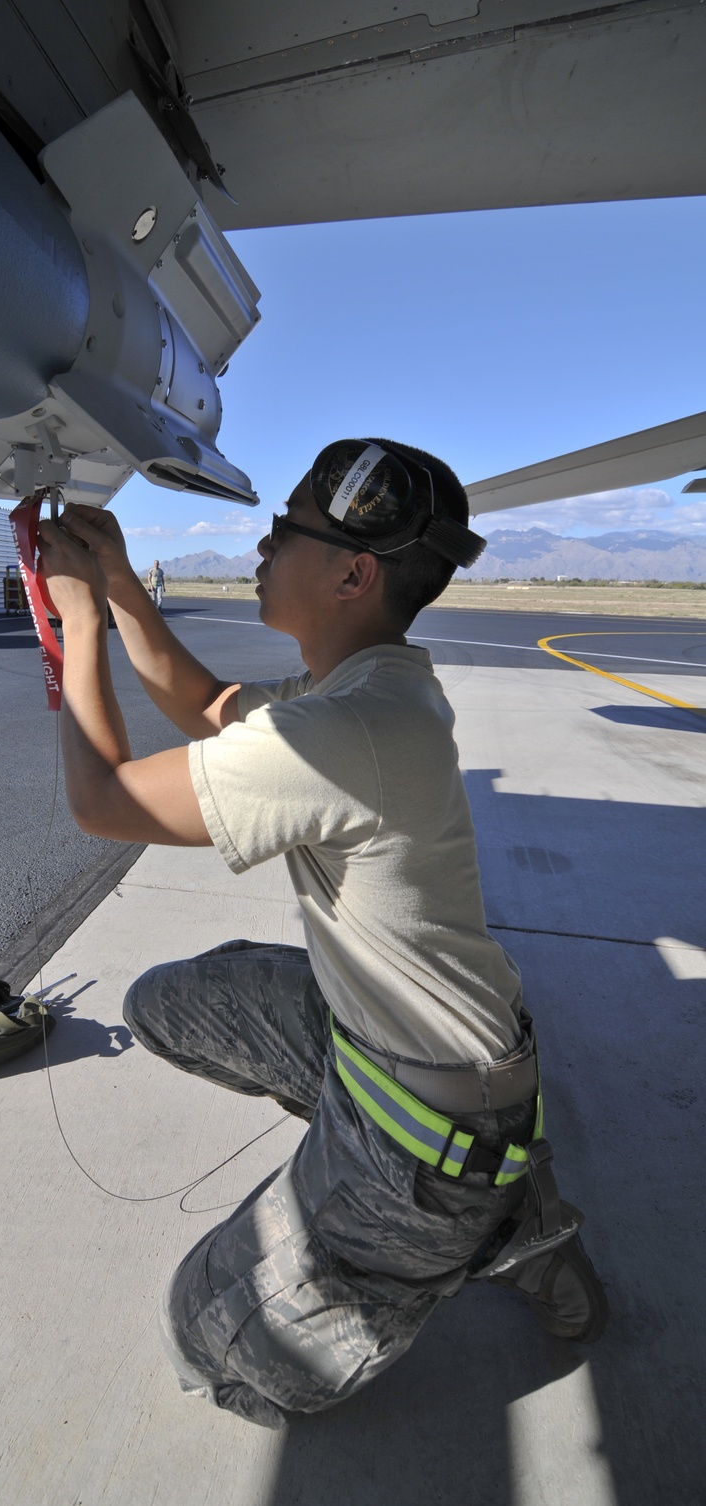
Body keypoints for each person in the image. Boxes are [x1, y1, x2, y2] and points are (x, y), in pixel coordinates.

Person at [35, 438, 607, 1430]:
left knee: (212, 1351)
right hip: (414, 1060)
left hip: (431, 1143)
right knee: (165, 1005)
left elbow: (101, 799)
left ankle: (468, 1238)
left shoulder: (345, 730)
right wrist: (122, 584)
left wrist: (73, 622)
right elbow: (208, 707)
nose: (259, 545)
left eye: (282, 530)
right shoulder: (368, 688)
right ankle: (470, 1215)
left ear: (352, 572)